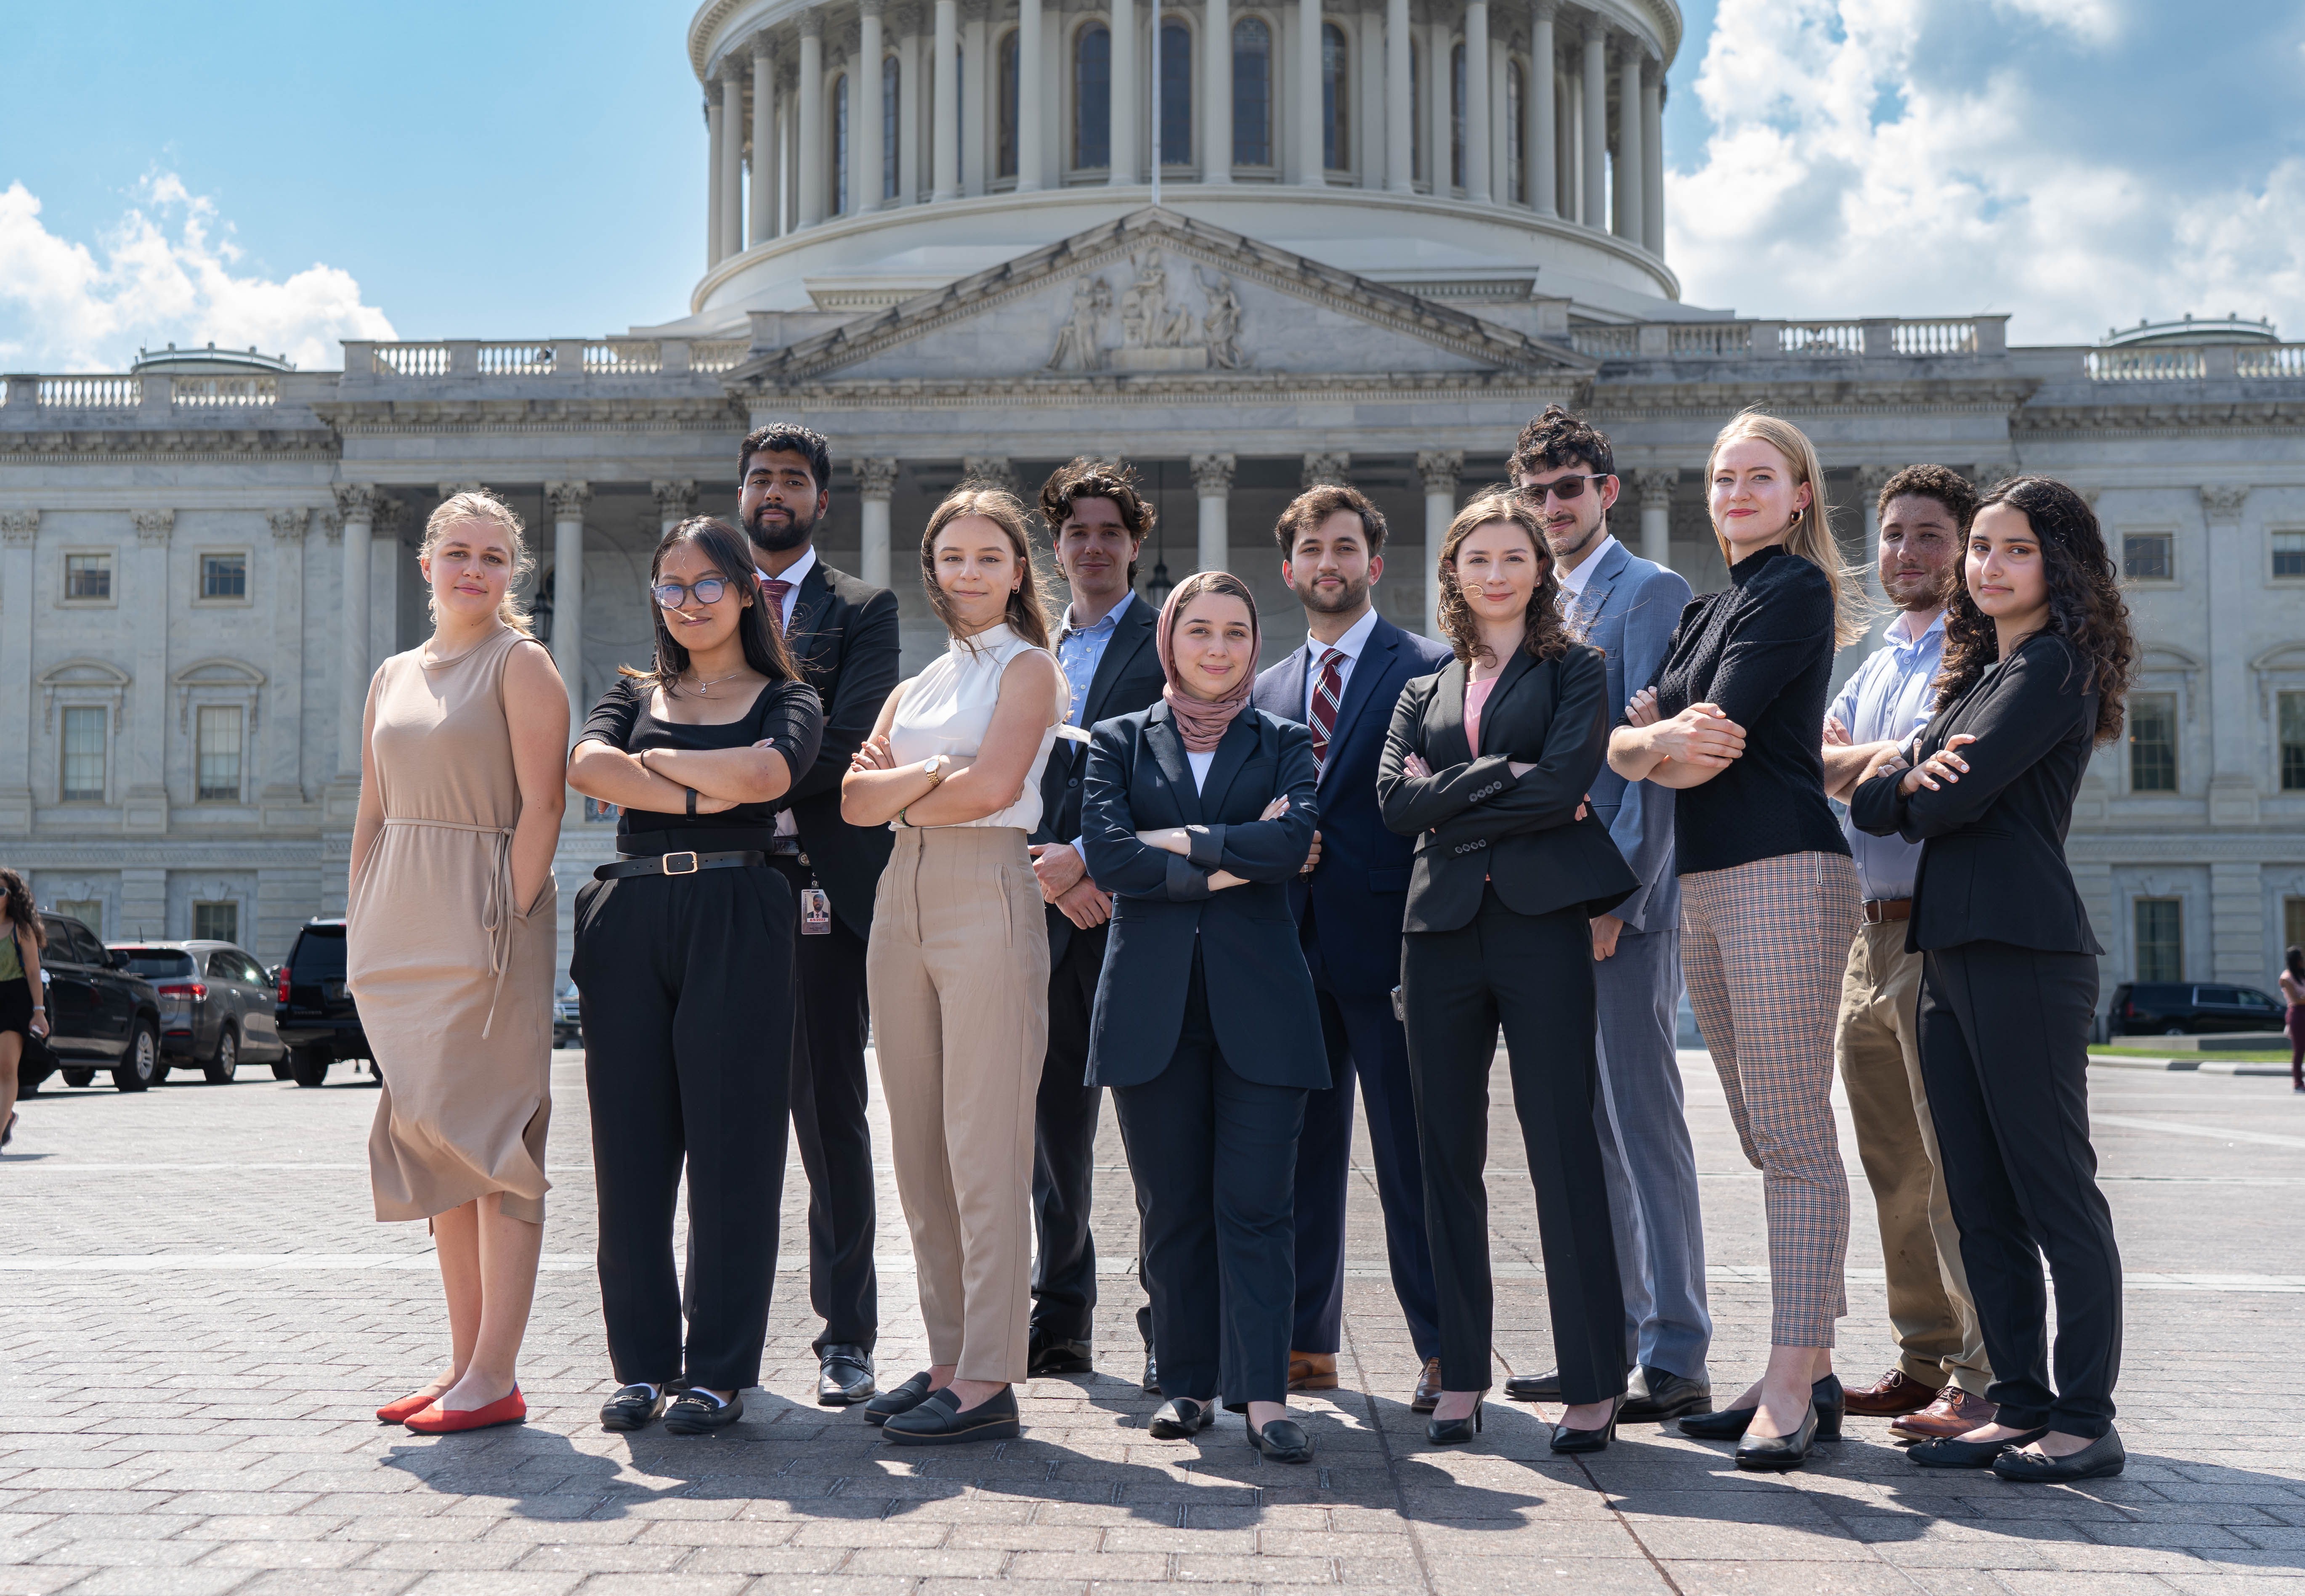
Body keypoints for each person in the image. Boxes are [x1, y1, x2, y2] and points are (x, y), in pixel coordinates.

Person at [1851, 475, 2136, 1484]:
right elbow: (1883, 801)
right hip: (1948, 950)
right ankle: (2016, 1401)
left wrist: (1911, 778)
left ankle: (2083, 1415)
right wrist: (1908, 774)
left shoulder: (2054, 665)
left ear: (2055, 565)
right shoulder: (1979, 677)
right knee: (1977, 1195)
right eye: (1978, 549)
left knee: (2052, 1188)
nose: (1986, 566)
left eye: (2012, 549)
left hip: (2023, 949)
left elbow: (1933, 806)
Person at [1606, 412, 1865, 1471]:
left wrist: (1652, 741)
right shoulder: (1706, 607)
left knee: (1792, 1133)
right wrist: (1650, 741)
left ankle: (1793, 1382)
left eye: (1761, 477)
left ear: (1801, 495)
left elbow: (1701, 746)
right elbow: (1632, 740)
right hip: (1707, 880)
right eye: (1722, 479)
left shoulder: (1795, 591)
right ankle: (1801, 1365)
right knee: (1763, 1134)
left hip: (1783, 869)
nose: (1737, 494)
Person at [1381, 493, 1638, 1453]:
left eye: (1511, 557)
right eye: (1474, 558)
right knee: (1441, 1154)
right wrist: (1506, 782)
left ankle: (1591, 1377)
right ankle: (1460, 1374)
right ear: (1451, 573)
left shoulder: (1578, 669)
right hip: (1437, 930)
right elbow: (1388, 806)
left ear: (1538, 570)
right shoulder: (1421, 688)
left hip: (1537, 925)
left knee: (1560, 1148)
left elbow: (1568, 778)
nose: (1493, 573)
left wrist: (1447, 797)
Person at [566, 518, 825, 1435]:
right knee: (629, 1156)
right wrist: (701, 791)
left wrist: (654, 772)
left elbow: (770, 772)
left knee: (734, 1154)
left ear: (747, 594)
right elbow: (586, 765)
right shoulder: (630, 689)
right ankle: (641, 1366)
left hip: (738, 914)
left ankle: (717, 1370)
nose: (687, 602)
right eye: (669, 585)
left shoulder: (788, 695)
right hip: (631, 916)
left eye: (707, 584)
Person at [841, 486, 1070, 1445]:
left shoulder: (1028, 672)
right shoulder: (917, 684)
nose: (968, 574)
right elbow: (853, 805)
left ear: (1019, 571)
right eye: (951, 557)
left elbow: (995, 788)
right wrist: (928, 787)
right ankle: (943, 1358)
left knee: (983, 1144)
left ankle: (988, 1375)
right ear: (929, 570)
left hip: (986, 895)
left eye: (988, 557)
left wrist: (912, 786)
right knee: (920, 1149)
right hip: (903, 898)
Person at [1083, 570, 1326, 1463]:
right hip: (1151, 1007)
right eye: (1199, 631)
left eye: (1235, 631)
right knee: (1172, 1207)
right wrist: (1234, 852)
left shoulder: (1287, 738)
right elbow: (1107, 855)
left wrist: (1176, 845)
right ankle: (1186, 1385)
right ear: (1171, 640)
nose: (1217, 648)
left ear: (1254, 646)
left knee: (1257, 1207)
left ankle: (1264, 1395)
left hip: (1262, 1007)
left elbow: (1294, 842)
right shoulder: (1116, 739)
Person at [1503, 405, 1711, 1426]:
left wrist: (1616, 898)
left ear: (1606, 491)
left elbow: (1660, 764)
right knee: (1579, 1135)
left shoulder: (1649, 592)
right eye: (1536, 492)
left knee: (1641, 1124)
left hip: (1616, 904)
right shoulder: (1532, 608)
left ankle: (1674, 1353)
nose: (1552, 507)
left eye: (1569, 488)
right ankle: (1605, 1344)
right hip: (1543, 903)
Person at [350, 490, 567, 1434]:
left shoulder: (523, 664)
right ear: (427, 563)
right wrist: (363, 918)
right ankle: (464, 1365)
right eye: (458, 552)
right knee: (441, 1147)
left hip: (485, 921)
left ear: (510, 571)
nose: (474, 569)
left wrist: (508, 919)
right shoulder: (392, 673)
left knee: (499, 1147)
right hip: (400, 924)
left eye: (492, 556)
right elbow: (373, 807)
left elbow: (545, 807)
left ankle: (497, 1374)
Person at [1249, 485, 1451, 1410]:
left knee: (1415, 1156)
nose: (1326, 564)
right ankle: (1302, 1343)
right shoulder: (1266, 688)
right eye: (1310, 550)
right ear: (1288, 568)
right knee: (1300, 1154)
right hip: (1291, 948)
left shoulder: (1431, 667)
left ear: (1376, 561)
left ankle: (1446, 1346)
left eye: (1344, 547)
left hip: (1398, 945)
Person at [1819, 465, 1998, 1443]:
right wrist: (1866, 763)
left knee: (1950, 1159)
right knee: (1891, 1162)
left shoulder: (1978, 654)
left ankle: (1979, 1373)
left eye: (1929, 536)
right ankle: (1923, 1356)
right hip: (1863, 927)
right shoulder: (1880, 656)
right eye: (1892, 536)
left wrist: (1860, 763)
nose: (1905, 554)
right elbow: (1824, 767)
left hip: (1935, 924)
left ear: (1965, 548)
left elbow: (1928, 766)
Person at [738, 423, 901, 1406]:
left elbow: (851, 742)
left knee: (831, 1120)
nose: (775, 493)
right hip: (712, 890)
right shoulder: (698, 592)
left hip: (815, 889)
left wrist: (731, 784)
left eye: (793, 481)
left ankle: (847, 1333)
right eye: (761, 478)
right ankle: (721, 1340)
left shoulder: (864, 608)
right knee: (720, 1125)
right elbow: (664, 717)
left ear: (820, 502)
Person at [1023, 459, 1168, 1388]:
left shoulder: (1168, 640)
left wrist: (1095, 861)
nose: (1093, 546)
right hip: (1042, 910)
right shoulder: (1025, 648)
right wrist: (1047, 865)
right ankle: (1061, 1311)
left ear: (1134, 542)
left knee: (1154, 1131)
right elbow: (1003, 768)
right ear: (1056, 543)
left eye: (1110, 531)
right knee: (1052, 1132)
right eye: (1077, 531)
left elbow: (1175, 763)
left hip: (1135, 910)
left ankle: (1172, 1318)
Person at [0, 867, 47, 1151]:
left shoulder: (21, 929)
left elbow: (33, 972)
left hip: (13, 1000)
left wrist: (38, 1011)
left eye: (1, 891)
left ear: (11, 896)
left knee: (7, 1070)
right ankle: (7, 1117)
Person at [2281, 946, 2305, 1094]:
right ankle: (2298, 1083)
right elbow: (2295, 1000)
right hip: (2298, 1014)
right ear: (2295, 961)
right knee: (2300, 1049)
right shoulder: (2286, 978)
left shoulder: (2302, 975)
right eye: (2301, 958)